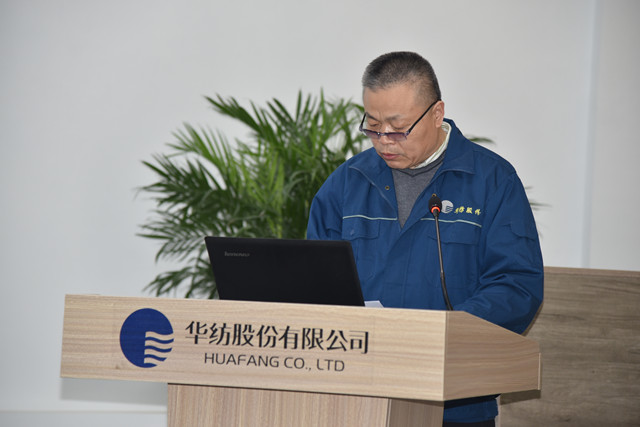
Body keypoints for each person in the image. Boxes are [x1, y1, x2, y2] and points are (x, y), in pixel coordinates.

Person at [306, 51, 543, 426]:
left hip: (456, 403)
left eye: (398, 128)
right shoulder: (346, 184)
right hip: (358, 398)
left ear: (436, 113)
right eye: (373, 126)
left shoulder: (491, 181)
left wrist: (443, 335)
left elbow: (516, 284)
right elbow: (314, 284)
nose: (384, 141)